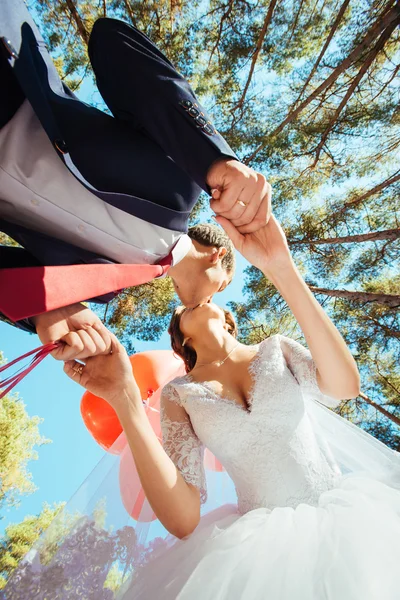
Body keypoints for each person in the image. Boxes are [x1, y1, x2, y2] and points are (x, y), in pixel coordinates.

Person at [55, 214, 400, 599]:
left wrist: (281, 268)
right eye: (182, 310)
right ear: (180, 340)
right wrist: (125, 399)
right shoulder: (179, 394)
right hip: (261, 555)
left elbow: (345, 386)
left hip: (352, 521)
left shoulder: (275, 348)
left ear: (228, 320)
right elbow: (185, 519)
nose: (195, 301)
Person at [0, 2, 271, 361]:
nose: (213, 299)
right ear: (218, 257)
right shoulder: (183, 183)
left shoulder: (102, 289)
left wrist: (41, 310)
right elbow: (112, 43)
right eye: (223, 287)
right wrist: (213, 157)